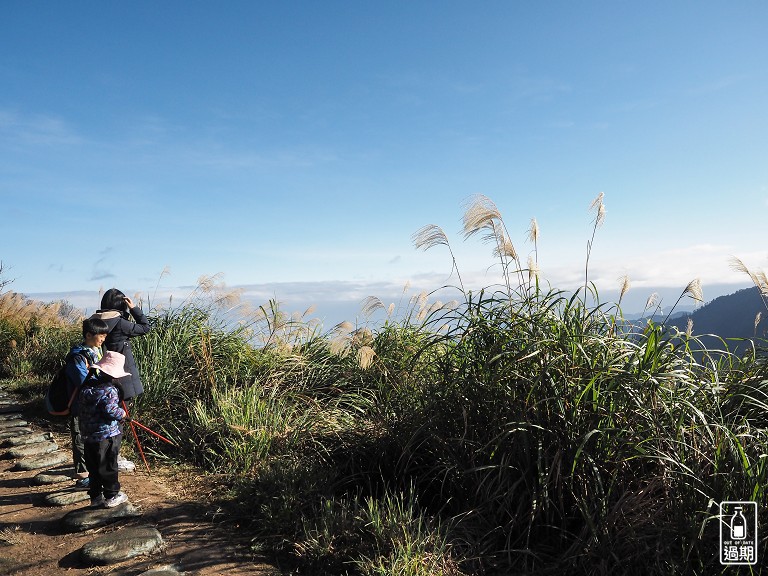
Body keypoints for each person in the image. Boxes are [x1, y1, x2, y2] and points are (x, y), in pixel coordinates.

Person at [90, 288, 151, 472]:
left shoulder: (94, 322)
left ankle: (106, 455)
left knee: (107, 415)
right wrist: (134, 309)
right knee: (119, 418)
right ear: (121, 304)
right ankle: (113, 457)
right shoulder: (120, 323)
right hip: (120, 375)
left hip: (101, 373)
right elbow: (145, 327)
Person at [78, 350, 131, 508]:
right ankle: (111, 496)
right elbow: (110, 410)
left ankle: (95, 497)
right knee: (108, 466)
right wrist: (122, 414)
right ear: (115, 374)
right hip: (106, 436)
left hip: (88, 436)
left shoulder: (86, 388)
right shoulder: (109, 390)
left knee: (94, 469)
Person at [64, 317, 110, 489]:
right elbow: (82, 381)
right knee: (80, 439)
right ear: (89, 334)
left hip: (94, 405)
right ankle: (83, 477)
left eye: (105, 336)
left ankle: (94, 472)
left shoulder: (96, 351)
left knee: (92, 439)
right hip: (79, 406)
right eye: (101, 336)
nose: (103, 339)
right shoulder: (77, 356)